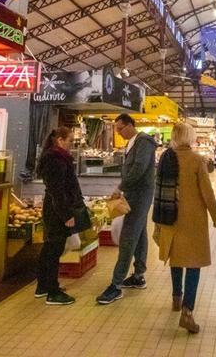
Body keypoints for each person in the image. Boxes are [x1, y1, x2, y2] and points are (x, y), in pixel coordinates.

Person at [154, 123, 216, 334]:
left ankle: (176, 297)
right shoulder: (196, 160)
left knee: (176, 258)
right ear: (190, 137)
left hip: (169, 217)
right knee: (193, 263)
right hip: (193, 221)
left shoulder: (165, 158)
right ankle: (187, 312)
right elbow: (207, 192)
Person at [97, 113, 156, 305]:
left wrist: (120, 187)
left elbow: (139, 168)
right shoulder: (132, 143)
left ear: (130, 125)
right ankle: (138, 276)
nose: (119, 132)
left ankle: (116, 285)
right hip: (134, 194)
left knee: (128, 237)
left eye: (120, 128)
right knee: (140, 234)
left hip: (139, 196)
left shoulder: (143, 142)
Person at [35, 127, 84, 305]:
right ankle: (53, 292)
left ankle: (43, 286)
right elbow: (57, 191)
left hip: (53, 209)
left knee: (49, 249)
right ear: (60, 140)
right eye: (70, 140)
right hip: (56, 211)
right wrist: (66, 215)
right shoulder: (56, 160)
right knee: (54, 250)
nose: (72, 144)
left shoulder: (55, 158)